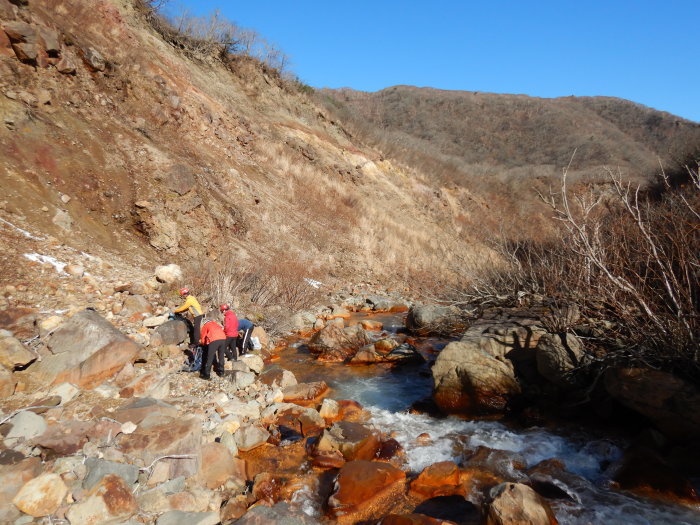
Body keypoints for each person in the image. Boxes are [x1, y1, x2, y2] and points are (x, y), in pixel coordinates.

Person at [199, 313, 227, 380]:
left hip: (214, 340)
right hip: (223, 339)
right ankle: (221, 373)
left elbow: (203, 337)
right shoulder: (216, 324)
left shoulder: (205, 325)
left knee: (210, 357)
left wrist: (203, 344)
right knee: (221, 356)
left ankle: (207, 375)